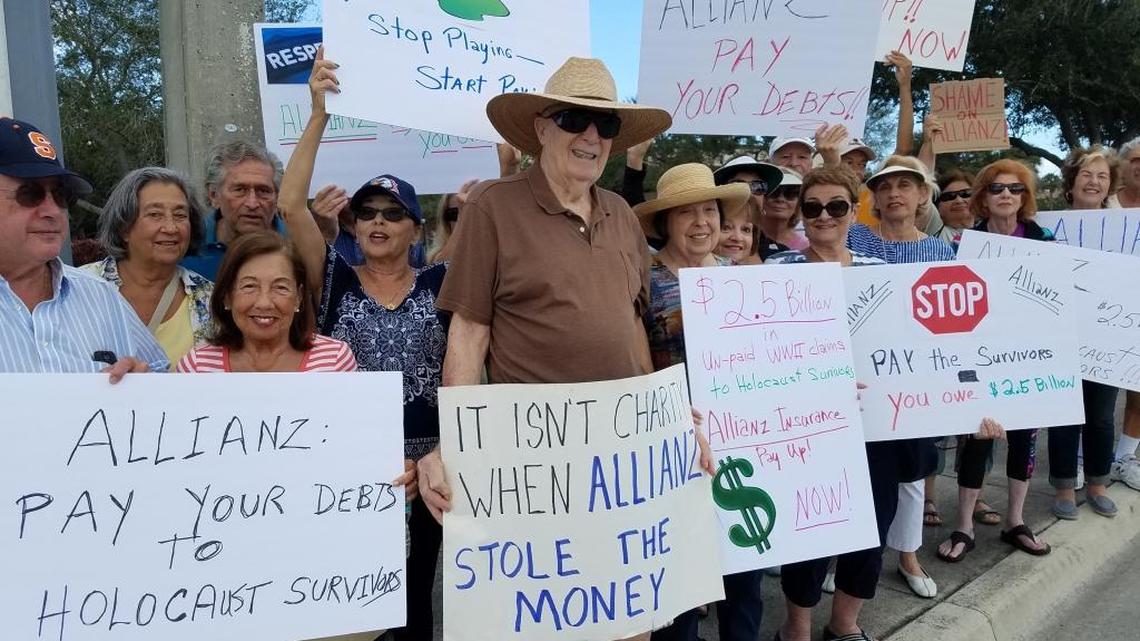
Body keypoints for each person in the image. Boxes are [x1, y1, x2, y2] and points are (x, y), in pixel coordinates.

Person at [416, 57, 700, 641]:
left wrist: (669, 423)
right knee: (547, 620)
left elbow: (633, 328)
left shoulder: (622, 214)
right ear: (543, 128)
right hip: (536, 456)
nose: (592, 137)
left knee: (631, 613)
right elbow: (469, 336)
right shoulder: (493, 207)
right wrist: (454, 443)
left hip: (626, 458)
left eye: (606, 126)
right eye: (576, 119)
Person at [276, 48, 448, 641]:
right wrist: (318, 114)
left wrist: (504, 160)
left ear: (415, 229)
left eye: (394, 213)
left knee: (417, 596)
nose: (377, 222)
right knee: (355, 603)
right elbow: (289, 206)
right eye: (367, 212)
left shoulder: (440, 283)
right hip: (350, 466)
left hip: (429, 466)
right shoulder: (333, 281)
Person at [764, 168, 895, 641]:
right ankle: (795, 627)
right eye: (813, 207)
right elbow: (763, 348)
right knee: (810, 531)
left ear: (853, 209)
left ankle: (845, 625)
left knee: (872, 528)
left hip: (876, 425)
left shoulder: (881, 272)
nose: (824, 216)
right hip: (809, 425)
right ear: (803, 213)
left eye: (836, 206)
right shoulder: (778, 272)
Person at [630, 164, 756, 641]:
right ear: (665, 222)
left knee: (743, 574)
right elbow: (632, 361)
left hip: (741, 445)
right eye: (688, 213)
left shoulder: (739, 277)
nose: (702, 222)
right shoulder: (643, 279)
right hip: (671, 447)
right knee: (678, 583)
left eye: (710, 210)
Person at [935, 159, 1053, 562]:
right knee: (976, 436)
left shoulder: (1046, 239)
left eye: (1015, 189)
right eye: (997, 188)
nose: (1006, 195)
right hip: (978, 355)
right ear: (983, 197)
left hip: (1030, 354)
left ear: (1026, 196)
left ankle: (1015, 521)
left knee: (1024, 435)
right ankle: (964, 524)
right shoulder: (963, 244)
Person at [848, 156, 955, 602]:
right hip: (859, 374)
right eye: (885, 185)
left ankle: (908, 554)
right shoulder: (853, 236)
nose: (895, 193)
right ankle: (848, 555)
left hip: (916, 378)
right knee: (856, 468)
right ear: (873, 195)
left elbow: (953, 319)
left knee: (911, 473)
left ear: (922, 195)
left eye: (905, 185)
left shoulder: (940, 250)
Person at [0, 116, 167, 379]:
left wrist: (144, 383)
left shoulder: (102, 296)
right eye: (30, 194)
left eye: (61, 196)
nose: (53, 210)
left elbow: (163, 381)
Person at [1048, 146, 1122, 519]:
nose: (1094, 182)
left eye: (1103, 176)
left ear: (1109, 186)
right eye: (1087, 175)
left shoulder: (1126, 230)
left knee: (1102, 416)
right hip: (1061, 336)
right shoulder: (1048, 229)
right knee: (1064, 412)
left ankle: (1097, 483)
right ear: (1071, 183)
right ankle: (1063, 486)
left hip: (1108, 338)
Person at [82, 167, 213, 366]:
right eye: (155, 215)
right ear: (123, 227)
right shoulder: (80, 288)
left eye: (180, 215)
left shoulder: (211, 301)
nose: (171, 228)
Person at [180, 140, 284, 280]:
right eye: (240, 190)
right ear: (214, 195)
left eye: (263, 191)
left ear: (276, 197)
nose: (252, 204)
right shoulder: (185, 244)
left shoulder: (299, 244)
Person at [713, 155, 784, 263]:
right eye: (738, 185)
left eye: (758, 186)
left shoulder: (781, 256)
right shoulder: (695, 258)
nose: (749, 193)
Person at [758, 168, 808, 258]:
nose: (781, 199)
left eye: (791, 193)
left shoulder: (806, 247)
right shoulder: (747, 239)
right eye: (774, 192)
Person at [930, 169, 975, 245]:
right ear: (938, 205)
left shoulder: (991, 228)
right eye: (949, 196)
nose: (959, 200)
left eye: (965, 193)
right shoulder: (933, 230)